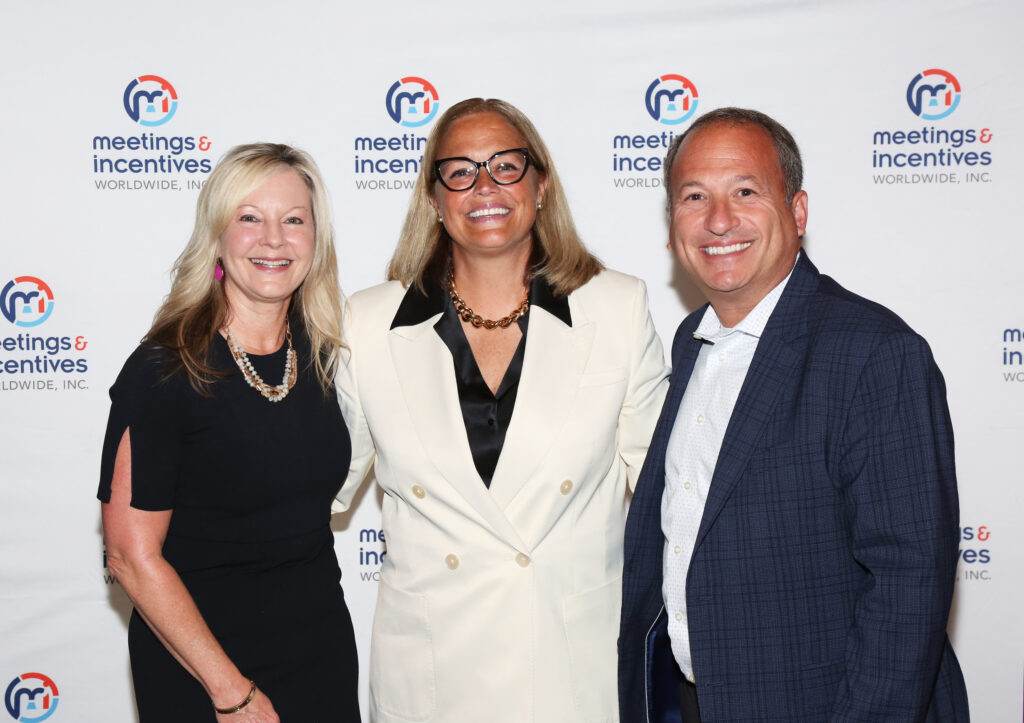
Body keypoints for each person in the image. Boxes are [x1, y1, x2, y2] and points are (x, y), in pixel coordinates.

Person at [618, 108, 970, 722]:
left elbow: (908, 586)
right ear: (672, 227)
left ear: (798, 212)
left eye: (745, 192)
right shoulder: (688, 342)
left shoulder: (874, 352)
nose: (719, 219)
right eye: (694, 196)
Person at [335, 98, 668, 722]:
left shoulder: (617, 309)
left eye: (505, 166)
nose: (483, 186)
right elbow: (316, 488)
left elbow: (669, 494)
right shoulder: (367, 322)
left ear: (541, 184)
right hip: (430, 681)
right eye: (459, 170)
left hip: (568, 671)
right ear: (434, 198)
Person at [99, 143, 360, 722]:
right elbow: (128, 555)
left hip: (319, 657)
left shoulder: (321, 355)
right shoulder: (165, 369)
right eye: (250, 218)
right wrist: (231, 693)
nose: (274, 239)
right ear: (216, 237)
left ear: (315, 241)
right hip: (205, 673)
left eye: (294, 220)